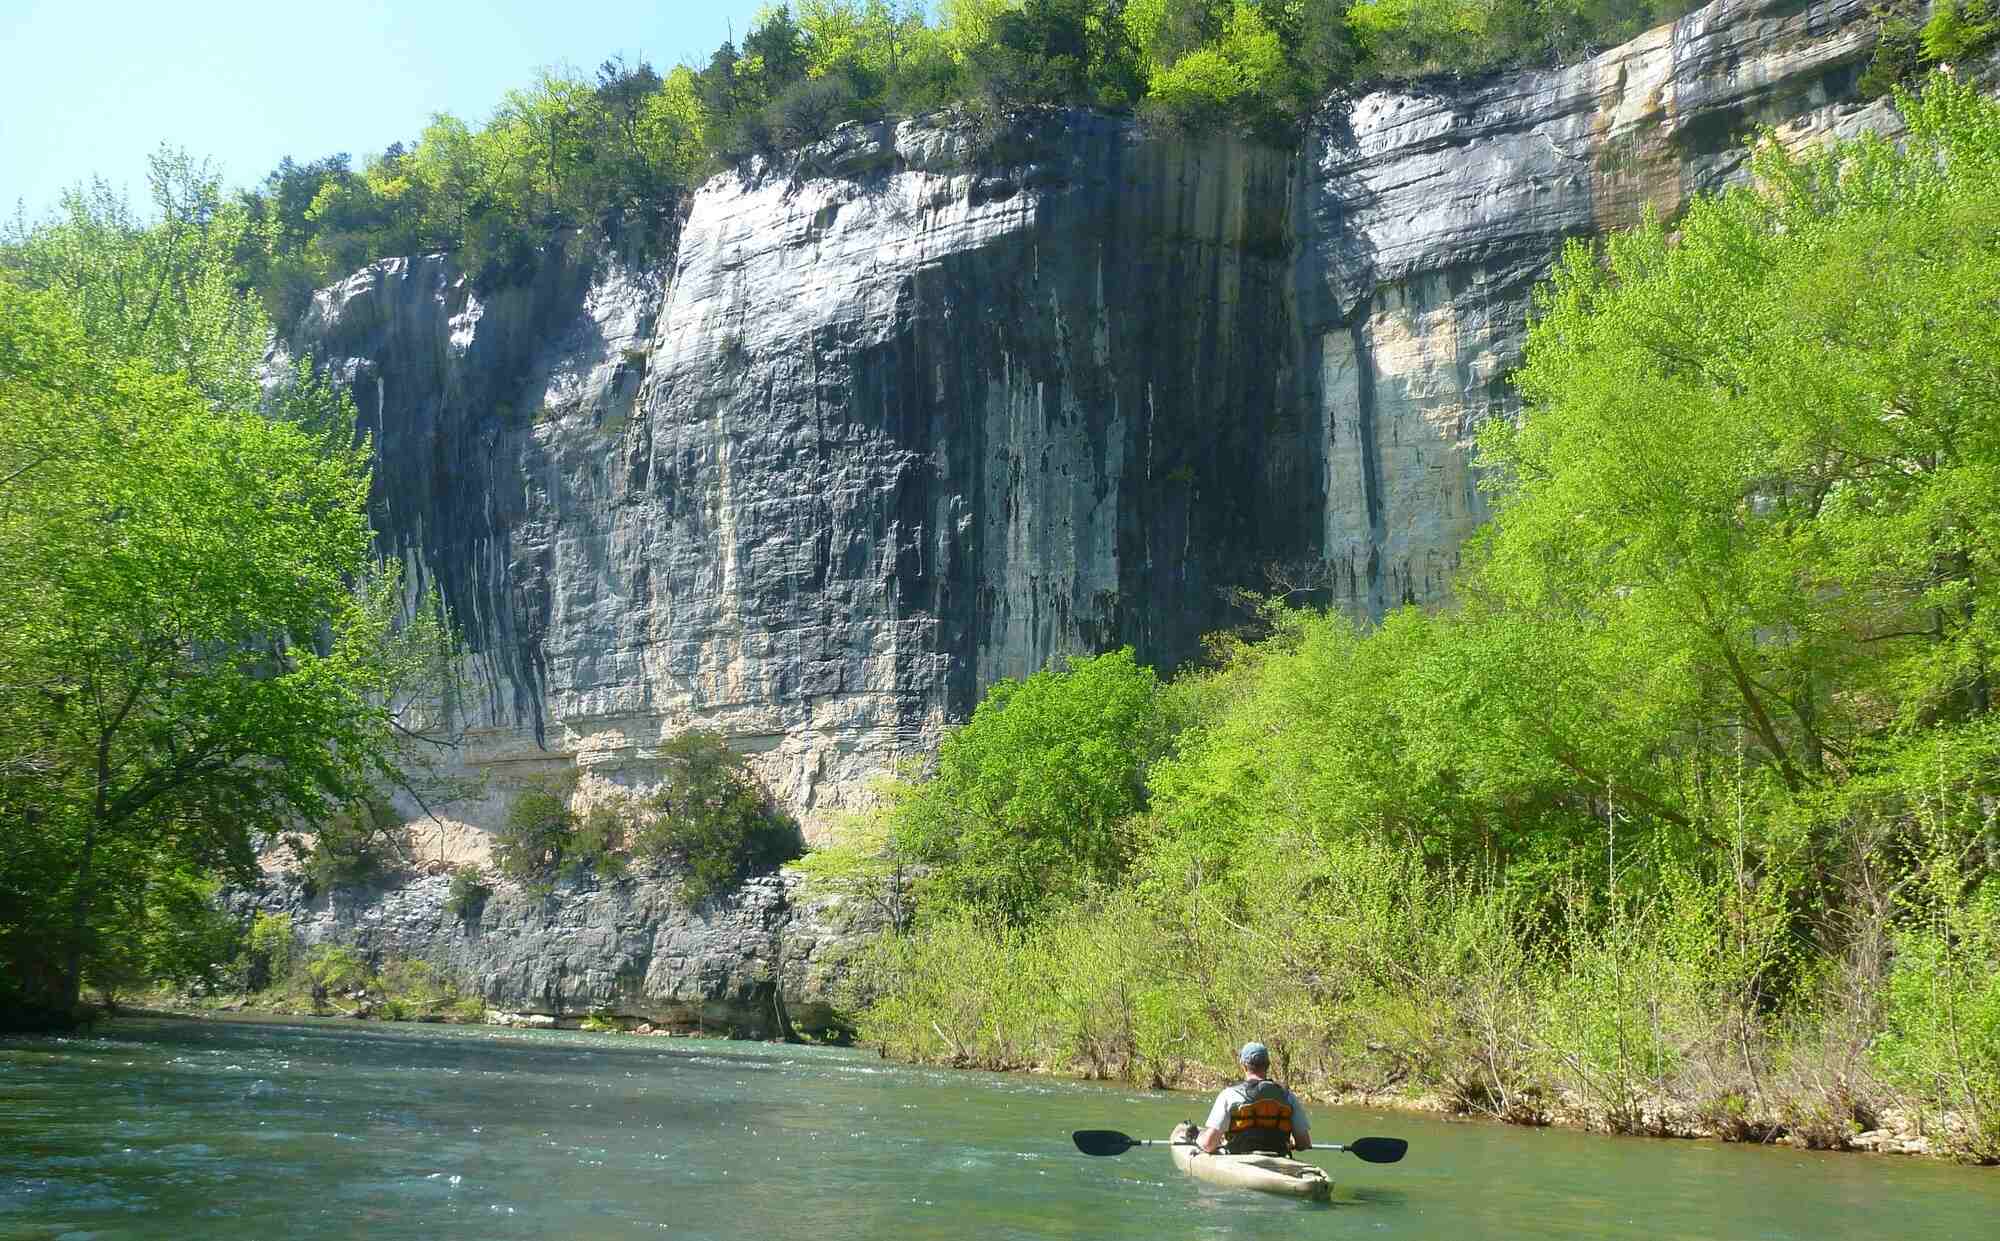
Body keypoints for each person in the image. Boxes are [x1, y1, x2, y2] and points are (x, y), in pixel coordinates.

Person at [1176, 1042, 1311, 1157]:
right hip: (1278, 1157)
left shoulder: (1229, 1095)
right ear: (1267, 1065)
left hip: (1239, 1159)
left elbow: (1208, 1145)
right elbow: (1304, 1143)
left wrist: (1196, 1138)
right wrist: (1291, 1143)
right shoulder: (1288, 1096)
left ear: (1244, 1066)